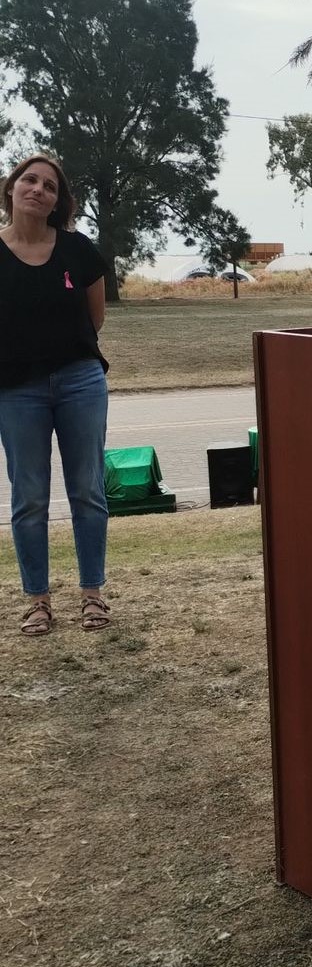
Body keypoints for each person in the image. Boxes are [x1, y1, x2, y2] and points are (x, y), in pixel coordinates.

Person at [0, 153, 112, 635]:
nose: (38, 189)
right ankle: (37, 601)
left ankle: (93, 595)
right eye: (30, 180)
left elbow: (95, 318)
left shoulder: (77, 249)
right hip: (15, 390)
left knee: (87, 489)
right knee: (29, 496)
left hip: (79, 381)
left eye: (49, 186)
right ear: (11, 188)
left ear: (57, 202)